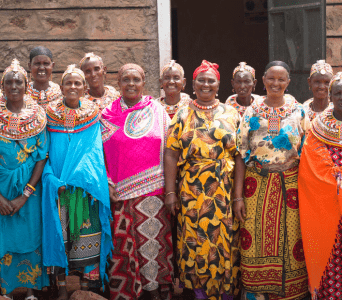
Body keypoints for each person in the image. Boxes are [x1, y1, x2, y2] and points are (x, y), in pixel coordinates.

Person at [165, 60, 241, 300]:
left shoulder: (231, 113)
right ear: (193, 84)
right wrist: (170, 193)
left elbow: (240, 157)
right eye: (201, 80)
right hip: (191, 192)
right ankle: (198, 293)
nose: (206, 84)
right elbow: (170, 153)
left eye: (211, 80)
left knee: (224, 242)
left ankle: (226, 294)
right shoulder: (182, 113)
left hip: (224, 191)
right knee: (194, 241)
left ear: (218, 85)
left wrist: (238, 196)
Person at [234, 61, 310, 300]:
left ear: (288, 82)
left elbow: (308, 153)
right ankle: (257, 294)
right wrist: (238, 196)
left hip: (291, 187)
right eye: (271, 78)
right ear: (263, 81)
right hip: (256, 186)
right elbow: (240, 154)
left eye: (281, 79)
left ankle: (291, 294)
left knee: (291, 240)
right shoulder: (251, 111)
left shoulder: (299, 111)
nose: (275, 83)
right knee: (253, 239)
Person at [101, 63, 173, 300]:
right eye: (126, 79)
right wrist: (108, 183)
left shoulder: (158, 111)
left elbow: (169, 151)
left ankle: (154, 292)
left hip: (154, 194)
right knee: (124, 249)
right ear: (118, 83)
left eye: (136, 79)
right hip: (119, 193)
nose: (131, 84)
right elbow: (100, 153)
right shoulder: (107, 114)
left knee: (153, 246)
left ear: (144, 82)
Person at [42, 65, 112, 300]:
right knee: (58, 235)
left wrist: (80, 180)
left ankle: (85, 287)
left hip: (85, 188)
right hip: (57, 187)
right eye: (68, 83)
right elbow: (45, 151)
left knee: (87, 235)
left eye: (78, 83)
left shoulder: (92, 114)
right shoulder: (49, 114)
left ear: (84, 88)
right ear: (61, 87)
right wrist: (53, 179)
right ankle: (60, 287)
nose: (73, 87)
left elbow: (93, 151)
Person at [0, 59, 49, 299]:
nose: (14, 86)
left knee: (31, 235)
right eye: (9, 82)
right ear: (2, 86)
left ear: (26, 85)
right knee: (5, 238)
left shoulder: (38, 116)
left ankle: (31, 291)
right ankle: (6, 290)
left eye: (19, 82)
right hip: (0, 190)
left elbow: (42, 157)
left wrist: (25, 195)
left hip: (29, 192)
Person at [299, 71, 342, 299]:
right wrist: (334, 184)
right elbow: (310, 167)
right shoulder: (319, 127)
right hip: (327, 207)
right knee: (331, 255)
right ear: (331, 95)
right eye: (338, 93)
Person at [28, 46, 61, 110]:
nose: (42, 68)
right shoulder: (23, 93)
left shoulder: (60, 93)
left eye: (46, 64)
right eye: (37, 64)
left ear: (52, 66)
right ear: (30, 66)